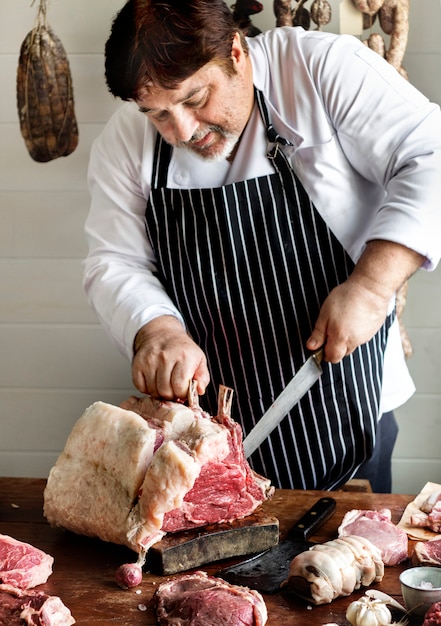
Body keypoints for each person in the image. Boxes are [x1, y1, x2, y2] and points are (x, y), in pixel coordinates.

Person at [83, 0, 441, 493]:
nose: (183, 131)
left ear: (235, 52)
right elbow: (115, 258)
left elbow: (430, 156)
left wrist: (373, 286)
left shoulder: (320, 69)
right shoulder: (127, 142)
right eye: (159, 114)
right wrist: (157, 330)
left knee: (349, 562)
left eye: (194, 98)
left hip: (347, 400)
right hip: (214, 428)